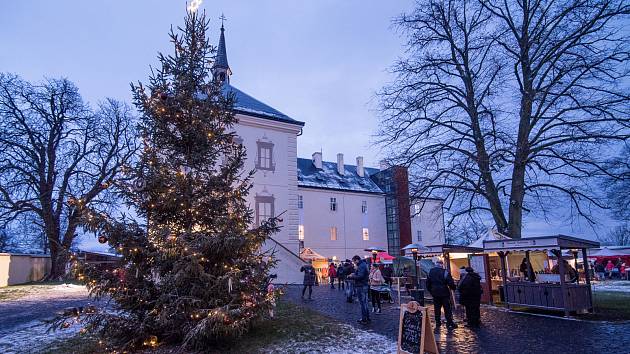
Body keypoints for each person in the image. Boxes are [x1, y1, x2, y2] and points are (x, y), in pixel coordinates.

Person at [427, 260, 457, 329]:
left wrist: (431, 291)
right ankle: (449, 322)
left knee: (437, 308)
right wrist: (453, 288)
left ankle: (438, 322)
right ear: (441, 265)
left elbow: (428, 283)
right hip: (444, 293)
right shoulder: (445, 272)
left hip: (435, 293)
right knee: (447, 308)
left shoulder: (430, 272)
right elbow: (450, 282)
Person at [348, 255, 370, 324]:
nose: (354, 263)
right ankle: (367, 318)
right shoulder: (363, 264)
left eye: (354, 261)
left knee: (362, 303)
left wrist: (352, 276)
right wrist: (354, 273)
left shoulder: (361, 265)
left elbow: (360, 276)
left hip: (361, 286)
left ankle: (364, 319)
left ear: (357, 260)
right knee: (365, 303)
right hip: (363, 285)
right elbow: (361, 274)